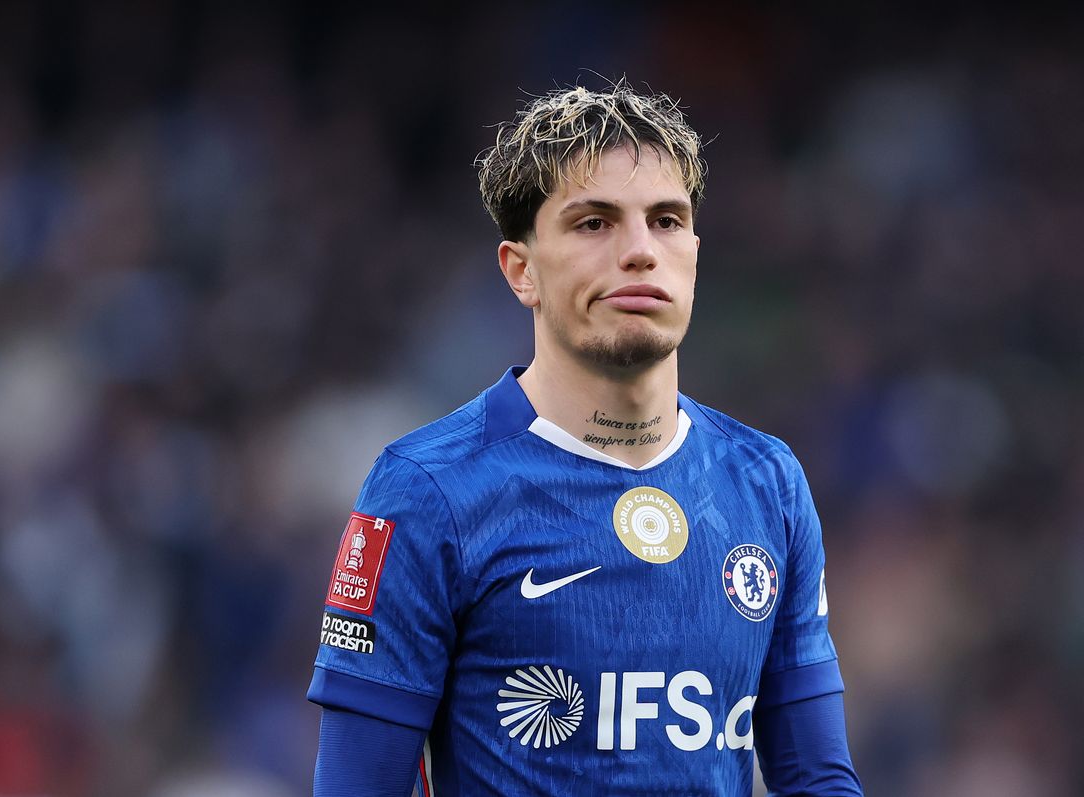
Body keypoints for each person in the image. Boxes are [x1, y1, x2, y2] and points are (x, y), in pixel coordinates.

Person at [308, 80, 864, 796]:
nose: (639, 251)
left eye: (666, 220)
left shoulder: (768, 481)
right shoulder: (424, 490)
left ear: (694, 250)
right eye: (594, 223)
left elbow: (817, 778)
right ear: (522, 270)